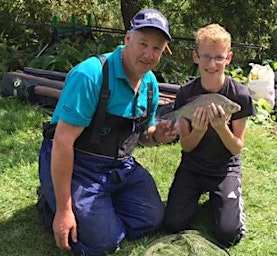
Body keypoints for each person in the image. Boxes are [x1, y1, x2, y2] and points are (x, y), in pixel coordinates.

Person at [37, 9, 178, 255]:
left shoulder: (150, 84)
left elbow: (143, 136)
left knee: (152, 220)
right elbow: (62, 143)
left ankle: (99, 211)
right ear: (127, 39)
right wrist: (64, 211)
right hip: (77, 163)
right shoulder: (90, 75)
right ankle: (54, 203)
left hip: (120, 166)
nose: (148, 54)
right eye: (143, 44)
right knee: (103, 243)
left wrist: (157, 135)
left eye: (156, 48)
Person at [163, 23, 256, 247]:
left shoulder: (239, 97)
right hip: (193, 166)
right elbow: (186, 147)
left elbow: (236, 148)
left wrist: (222, 128)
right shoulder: (186, 94)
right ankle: (205, 200)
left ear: (229, 58)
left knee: (228, 235)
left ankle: (222, 200)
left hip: (224, 169)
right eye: (205, 57)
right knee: (172, 224)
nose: (212, 64)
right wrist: (199, 130)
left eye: (218, 57)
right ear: (195, 57)